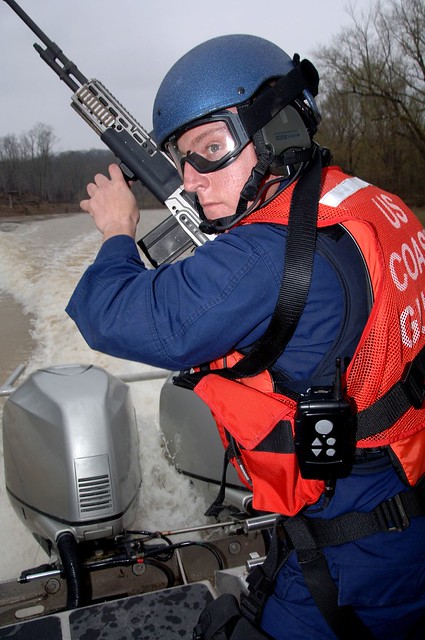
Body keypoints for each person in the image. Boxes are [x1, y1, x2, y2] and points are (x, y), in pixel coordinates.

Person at [66, 34, 425, 639]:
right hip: (399, 489)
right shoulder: (372, 202)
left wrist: (117, 231)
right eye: (183, 158)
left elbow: (115, 313)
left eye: (211, 148)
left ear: (279, 128)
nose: (191, 179)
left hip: (354, 545)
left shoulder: (267, 255)